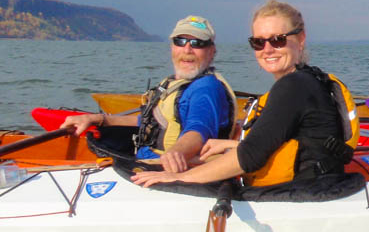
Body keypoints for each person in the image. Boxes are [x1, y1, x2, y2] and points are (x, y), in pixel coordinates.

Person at [132, 0, 356, 189]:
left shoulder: (294, 87)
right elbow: (288, 140)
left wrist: (179, 177)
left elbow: (250, 157)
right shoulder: (304, 81)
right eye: (258, 42)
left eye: (277, 40)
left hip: (302, 195)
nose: (267, 49)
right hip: (310, 186)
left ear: (301, 38)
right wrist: (229, 145)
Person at [61, 15, 237, 173]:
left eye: (198, 43)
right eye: (180, 41)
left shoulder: (206, 89)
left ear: (212, 51)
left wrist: (176, 153)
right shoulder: (175, 83)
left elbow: (199, 131)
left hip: (164, 167)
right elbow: (150, 121)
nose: (187, 49)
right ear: (172, 47)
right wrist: (100, 119)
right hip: (142, 160)